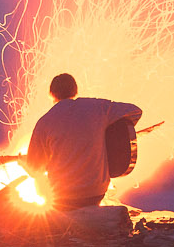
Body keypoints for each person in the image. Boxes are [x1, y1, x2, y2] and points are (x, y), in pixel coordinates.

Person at [22, 73, 142, 210]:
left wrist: (25, 163)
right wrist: (110, 134)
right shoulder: (97, 107)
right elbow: (135, 111)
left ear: (51, 94)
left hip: (61, 197)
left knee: (40, 185)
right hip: (96, 193)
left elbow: (34, 168)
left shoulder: (44, 121)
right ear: (75, 90)